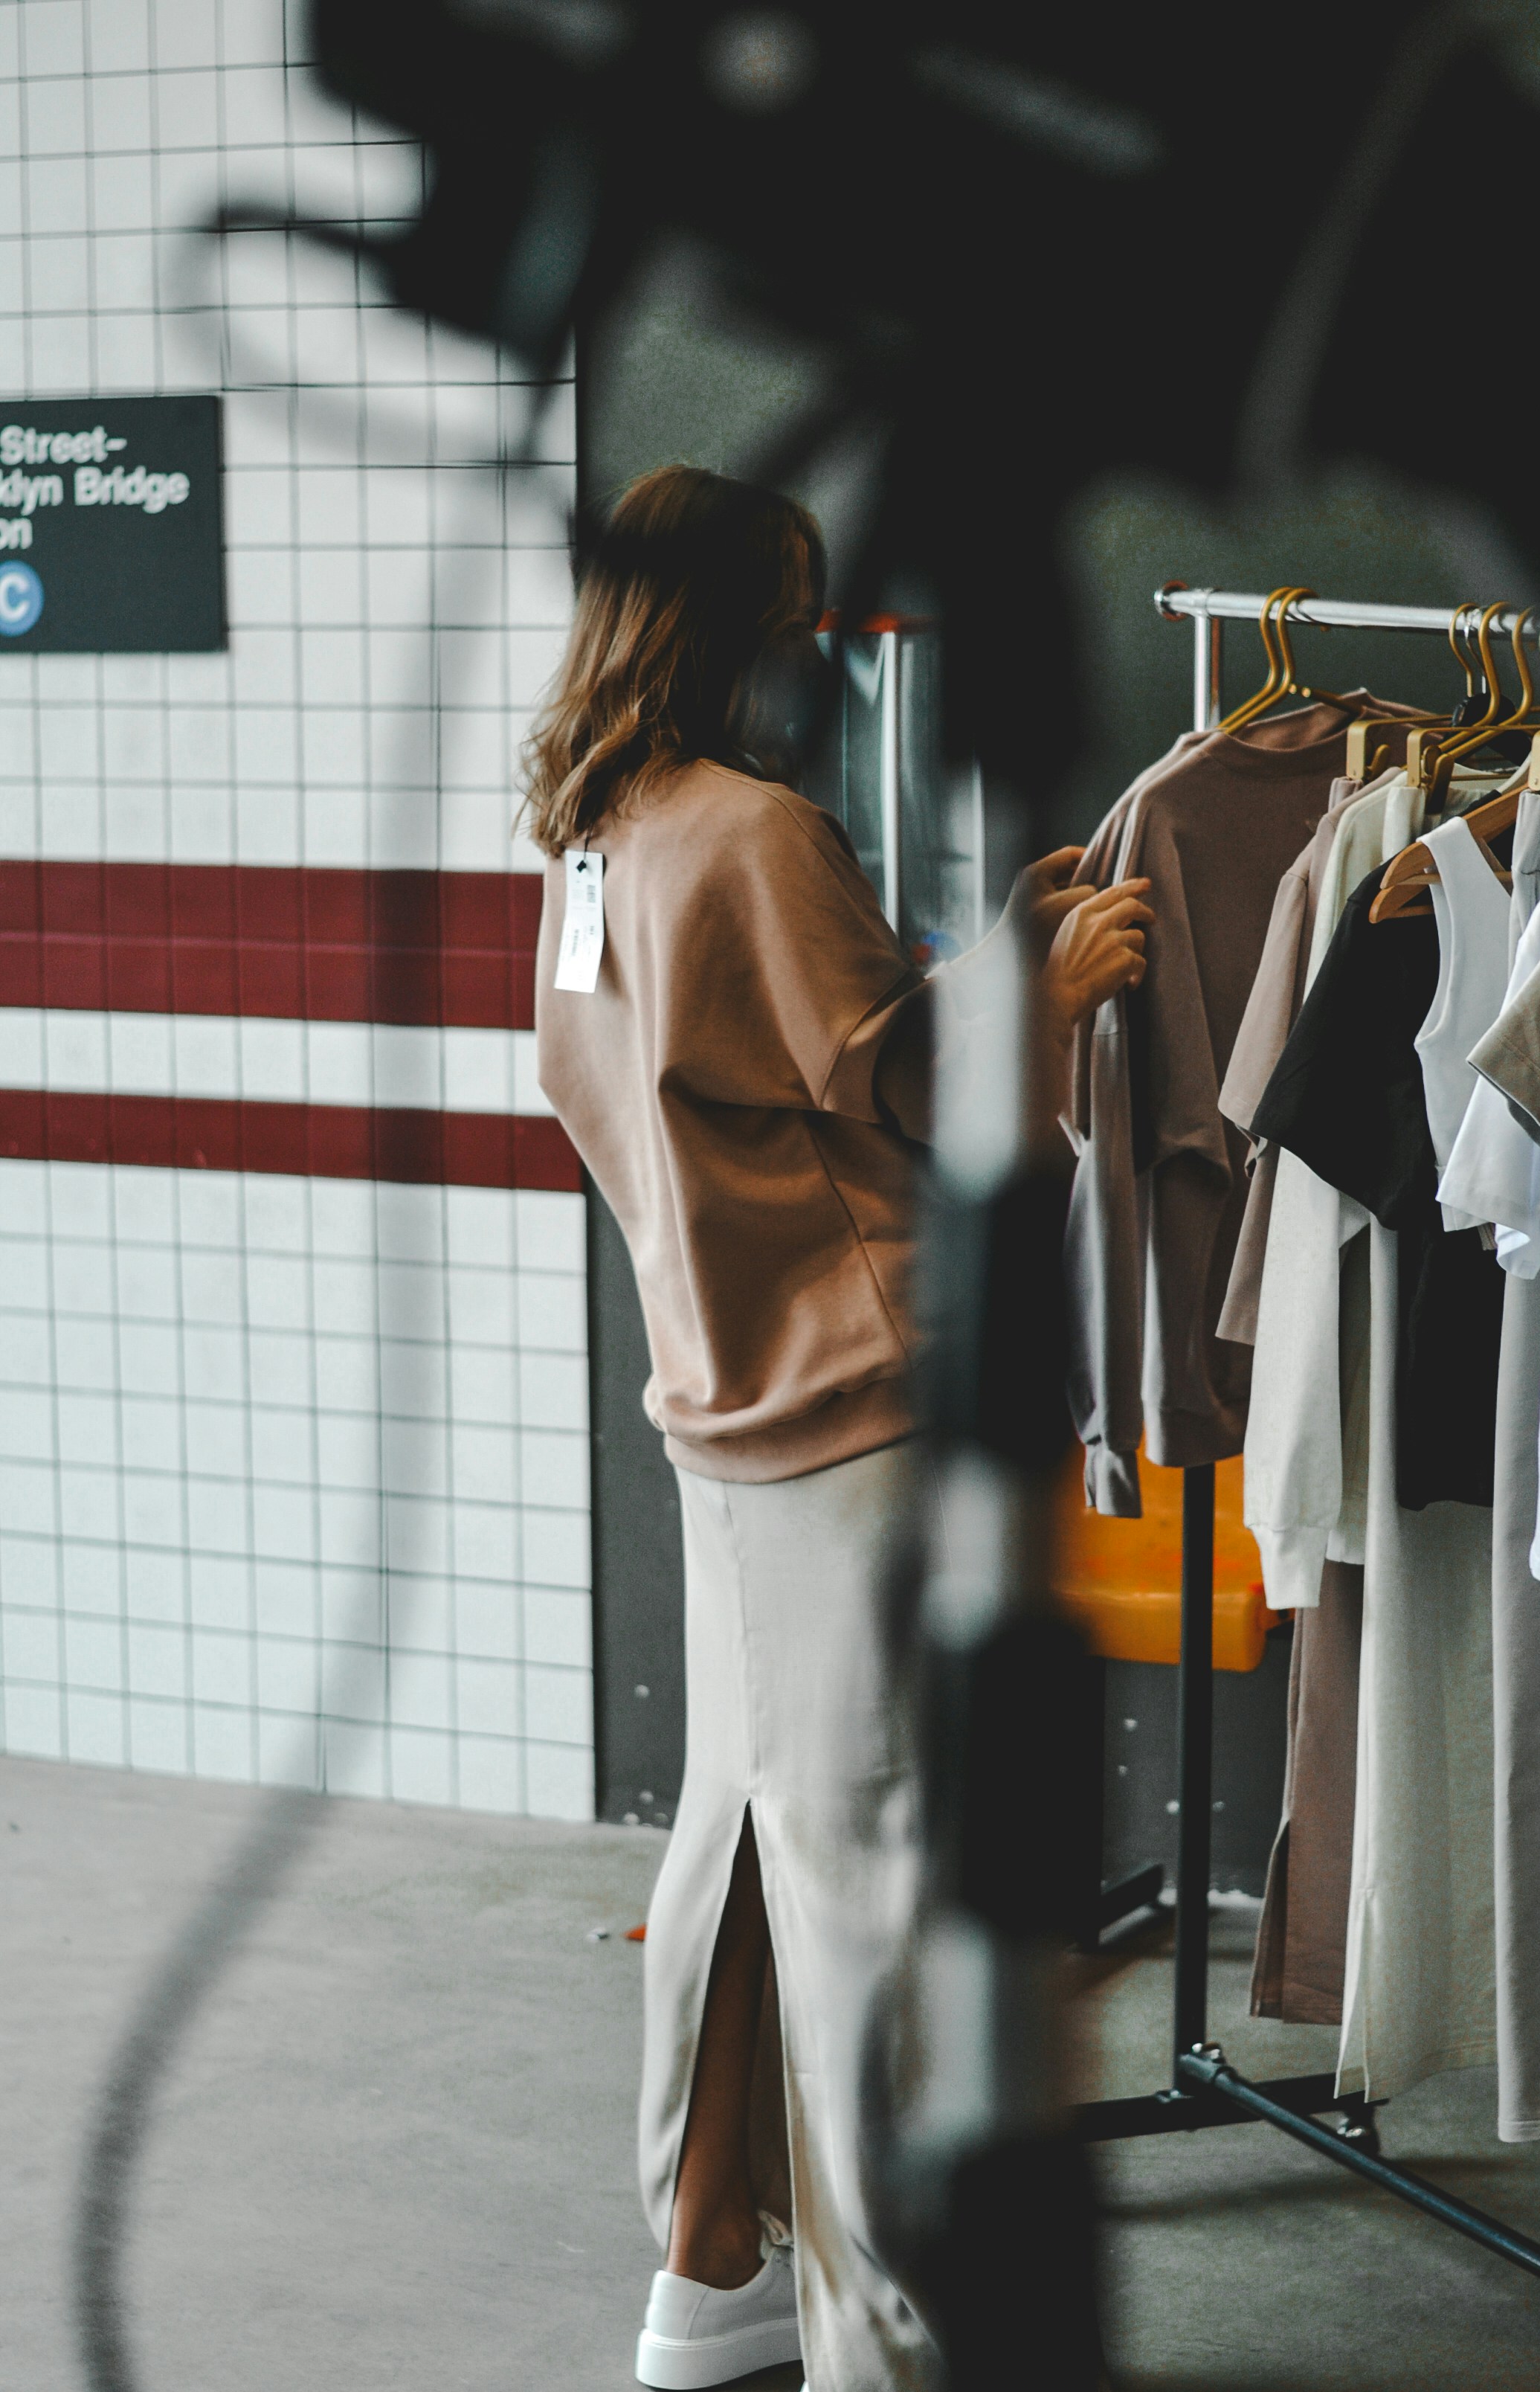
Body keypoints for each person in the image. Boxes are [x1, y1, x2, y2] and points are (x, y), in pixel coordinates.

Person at [527, 466, 1151, 2392]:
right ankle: (889, 2350)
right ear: (724, 621)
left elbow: (717, 1078)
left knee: (744, 1851)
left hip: (717, 1412)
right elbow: (892, 1089)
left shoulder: (589, 839)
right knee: (869, 1892)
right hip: (852, 1421)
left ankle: (709, 2267)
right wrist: (1045, 987)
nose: (818, 644)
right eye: (793, 608)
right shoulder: (762, 829)